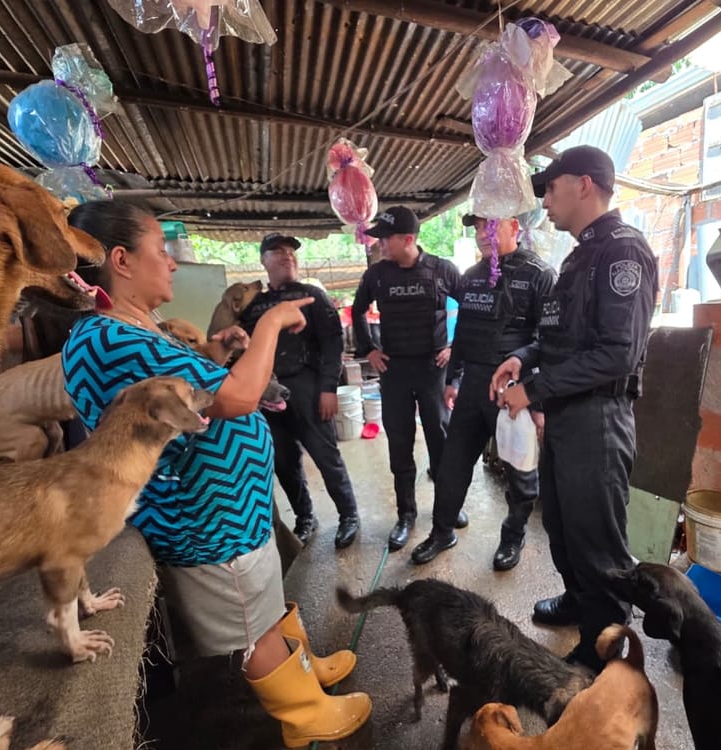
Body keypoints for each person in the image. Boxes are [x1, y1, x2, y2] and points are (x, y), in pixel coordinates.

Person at [61, 202, 371, 746]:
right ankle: (303, 714)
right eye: (161, 251)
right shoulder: (109, 339)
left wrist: (215, 351)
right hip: (202, 519)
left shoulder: (133, 327)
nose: (172, 263)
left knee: (263, 602)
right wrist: (269, 323)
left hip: (231, 510)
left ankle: (303, 667)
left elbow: (185, 392)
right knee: (251, 624)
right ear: (121, 260)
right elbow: (240, 396)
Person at [491, 145, 658, 673]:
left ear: (584, 184)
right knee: (562, 525)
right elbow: (557, 337)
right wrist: (521, 359)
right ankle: (578, 601)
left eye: (551, 187)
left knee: (597, 541)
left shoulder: (622, 252)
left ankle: (606, 649)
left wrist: (533, 391)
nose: (544, 199)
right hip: (568, 415)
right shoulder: (580, 256)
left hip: (598, 420)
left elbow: (618, 354)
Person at [410, 212, 556, 570]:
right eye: (477, 227)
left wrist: (538, 401)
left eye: (490, 224)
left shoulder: (540, 275)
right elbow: (463, 332)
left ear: (514, 227)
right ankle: (442, 531)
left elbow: (550, 341)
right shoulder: (472, 276)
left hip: (515, 390)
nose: (482, 233)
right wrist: (453, 379)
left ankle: (513, 537)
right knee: (452, 463)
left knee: (520, 473)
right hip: (473, 385)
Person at [350, 206, 465, 550]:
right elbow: (357, 310)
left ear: (408, 239)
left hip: (432, 369)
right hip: (395, 371)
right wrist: (369, 350)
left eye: (386, 239)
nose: (380, 245)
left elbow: (473, 308)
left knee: (440, 441)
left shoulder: (442, 270)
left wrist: (454, 348)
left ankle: (447, 509)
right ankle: (406, 515)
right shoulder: (377, 275)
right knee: (399, 444)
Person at [239, 234, 361, 549]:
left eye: (291, 251)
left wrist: (329, 388)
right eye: (278, 251)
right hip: (268, 392)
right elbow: (242, 347)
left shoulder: (312, 296)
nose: (287, 256)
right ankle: (305, 517)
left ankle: (348, 515)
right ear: (263, 261)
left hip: (308, 387)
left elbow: (333, 343)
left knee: (326, 456)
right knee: (284, 460)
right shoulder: (252, 305)